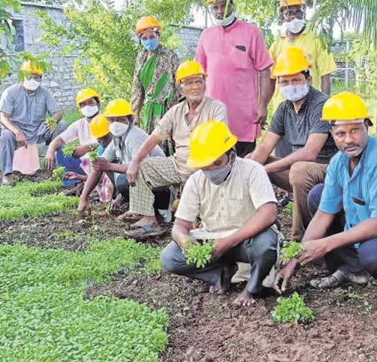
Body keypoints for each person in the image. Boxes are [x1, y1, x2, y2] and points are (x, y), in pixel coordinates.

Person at [274, 92, 377, 314]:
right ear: (332, 134)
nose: (348, 139)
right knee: (317, 196)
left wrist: (324, 245)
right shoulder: (339, 162)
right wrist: (294, 260)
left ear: (367, 126)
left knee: (373, 253)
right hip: (370, 228)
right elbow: (323, 215)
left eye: (355, 130)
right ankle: (352, 269)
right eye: (340, 133)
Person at [160, 121, 279, 307]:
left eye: (217, 163)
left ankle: (253, 288)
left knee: (267, 244)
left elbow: (268, 213)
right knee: (170, 257)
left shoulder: (252, 170)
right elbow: (179, 226)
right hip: (212, 239)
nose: (212, 170)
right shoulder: (196, 181)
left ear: (231, 154)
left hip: (247, 240)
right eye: (205, 166)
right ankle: (220, 273)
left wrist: (228, 242)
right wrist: (183, 239)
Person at [125, 61, 228, 238]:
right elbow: (154, 138)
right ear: (180, 88)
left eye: (199, 81)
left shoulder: (216, 108)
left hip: (206, 168)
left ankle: (200, 223)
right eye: (188, 83)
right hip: (178, 164)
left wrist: (200, 169)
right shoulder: (176, 111)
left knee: (197, 222)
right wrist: (134, 161)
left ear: (204, 84)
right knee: (142, 166)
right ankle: (149, 220)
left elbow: (219, 143)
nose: (195, 87)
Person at [247, 47, 338, 241]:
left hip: (329, 171)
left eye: (296, 80)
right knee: (251, 162)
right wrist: (250, 167)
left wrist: (269, 169)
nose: (291, 86)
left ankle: (301, 240)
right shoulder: (284, 108)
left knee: (298, 169)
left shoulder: (321, 104)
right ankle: (253, 225)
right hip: (300, 172)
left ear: (309, 79)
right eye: (285, 82)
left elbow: (310, 152)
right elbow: (265, 146)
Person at [194, 0, 273, 157]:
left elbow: (265, 70)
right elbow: (197, 75)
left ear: (233, 4)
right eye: (215, 7)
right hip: (213, 117)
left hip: (244, 119)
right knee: (216, 165)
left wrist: (263, 105)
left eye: (224, 5)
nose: (220, 11)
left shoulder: (251, 32)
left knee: (245, 168)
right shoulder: (206, 36)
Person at [77, 100, 170, 237]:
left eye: (121, 120)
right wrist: (83, 198)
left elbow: (142, 167)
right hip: (149, 184)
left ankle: (156, 214)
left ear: (130, 120)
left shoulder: (134, 136)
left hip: (163, 186)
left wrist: (108, 166)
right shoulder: (117, 138)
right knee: (114, 172)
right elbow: (99, 166)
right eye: (112, 120)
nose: (116, 124)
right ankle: (144, 212)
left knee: (123, 179)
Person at [269, 0, 338, 158]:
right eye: (288, 13)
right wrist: (264, 105)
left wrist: (324, 108)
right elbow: (271, 79)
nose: (293, 17)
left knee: (307, 157)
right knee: (282, 156)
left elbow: (325, 75)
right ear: (282, 16)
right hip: (284, 109)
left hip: (309, 109)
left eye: (297, 12)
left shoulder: (316, 40)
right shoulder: (277, 44)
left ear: (304, 13)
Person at [0, 60, 67, 185]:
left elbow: (58, 112)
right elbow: (3, 117)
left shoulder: (44, 92)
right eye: (30, 76)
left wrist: (52, 120)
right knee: (6, 135)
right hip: (18, 130)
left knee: (62, 125)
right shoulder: (11, 92)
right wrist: (17, 132)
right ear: (22, 76)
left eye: (37, 77)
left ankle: (57, 167)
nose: (33, 80)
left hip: (39, 130)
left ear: (41, 78)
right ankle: (7, 174)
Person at [131, 16, 181, 154]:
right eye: (145, 38)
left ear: (158, 36)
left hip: (167, 109)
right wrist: (135, 113)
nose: (149, 41)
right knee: (150, 146)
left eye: (152, 37)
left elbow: (179, 84)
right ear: (140, 40)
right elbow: (137, 87)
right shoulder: (141, 57)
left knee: (167, 142)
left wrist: (178, 111)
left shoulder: (169, 55)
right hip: (149, 110)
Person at [44, 88, 101, 187]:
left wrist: (88, 147)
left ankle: (94, 183)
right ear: (80, 108)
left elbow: (111, 143)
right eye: (83, 104)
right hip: (84, 164)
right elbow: (60, 139)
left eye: (90, 102)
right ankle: (73, 184)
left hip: (101, 164)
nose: (87, 106)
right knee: (60, 150)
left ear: (98, 104)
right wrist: (50, 151)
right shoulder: (80, 124)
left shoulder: (107, 121)